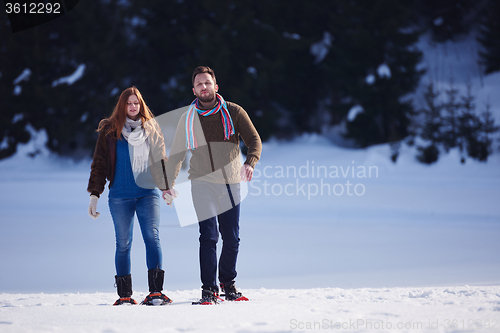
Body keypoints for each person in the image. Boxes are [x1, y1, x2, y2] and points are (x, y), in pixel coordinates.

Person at [164, 66, 262, 304]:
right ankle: (209, 289)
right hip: (201, 184)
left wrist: (250, 163)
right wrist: (168, 183)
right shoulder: (187, 119)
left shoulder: (234, 112)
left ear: (216, 87)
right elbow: (176, 155)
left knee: (232, 238)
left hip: (230, 183)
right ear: (194, 90)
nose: (204, 87)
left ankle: (228, 284)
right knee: (209, 236)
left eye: (207, 83)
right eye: (199, 84)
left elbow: (254, 140)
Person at [87, 86, 173, 306]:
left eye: (137, 103)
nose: (133, 106)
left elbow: (161, 161)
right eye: (129, 103)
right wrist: (94, 194)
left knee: (152, 238)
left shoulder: (151, 128)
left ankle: (156, 292)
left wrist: (166, 187)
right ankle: (125, 296)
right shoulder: (109, 130)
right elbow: (99, 164)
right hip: (120, 196)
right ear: (122, 105)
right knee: (123, 243)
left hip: (147, 194)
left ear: (141, 105)